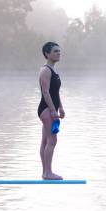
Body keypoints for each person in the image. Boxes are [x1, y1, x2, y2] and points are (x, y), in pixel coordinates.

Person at [37, 41, 65, 180]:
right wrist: (53, 111)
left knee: (45, 141)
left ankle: (45, 172)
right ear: (47, 54)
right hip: (46, 109)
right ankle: (48, 172)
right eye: (55, 51)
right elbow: (46, 93)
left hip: (52, 108)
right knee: (52, 141)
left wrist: (61, 107)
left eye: (59, 51)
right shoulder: (45, 70)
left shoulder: (54, 70)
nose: (58, 53)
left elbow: (56, 92)